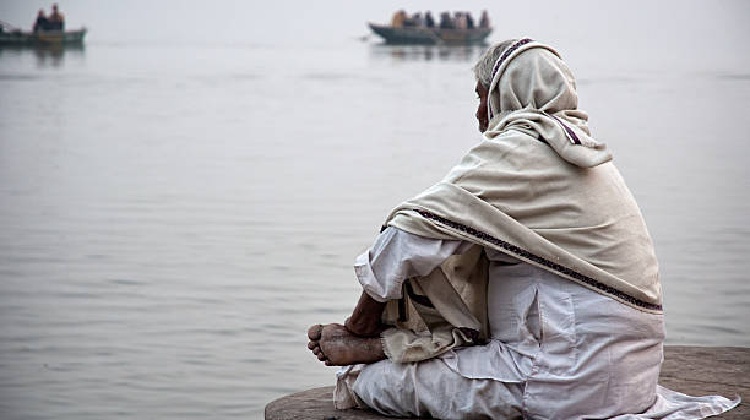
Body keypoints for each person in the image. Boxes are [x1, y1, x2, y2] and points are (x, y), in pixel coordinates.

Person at [307, 39, 740, 419]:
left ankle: (376, 350)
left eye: (483, 96)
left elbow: (409, 233)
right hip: (629, 380)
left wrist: (360, 324)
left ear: (506, 94)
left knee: (360, 381)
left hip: (562, 379)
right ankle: (395, 345)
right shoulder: (584, 153)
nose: (479, 113)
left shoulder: (520, 150)